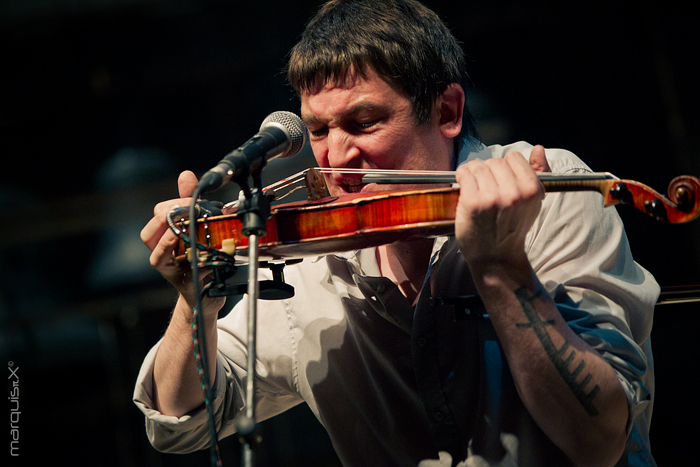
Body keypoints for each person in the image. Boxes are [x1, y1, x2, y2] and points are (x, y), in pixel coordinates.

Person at [134, 1, 659, 466]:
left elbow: (599, 443)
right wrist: (195, 302)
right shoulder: (310, 256)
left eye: (364, 123)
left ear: (447, 111)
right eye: (318, 130)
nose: (337, 159)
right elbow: (182, 421)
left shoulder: (545, 194)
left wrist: (500, 268)